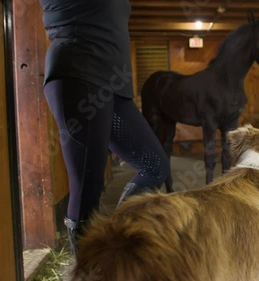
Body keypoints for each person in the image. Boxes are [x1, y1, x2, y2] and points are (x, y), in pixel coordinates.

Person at [38, 0, 170, 255]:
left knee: (155, 165)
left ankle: (115, 238)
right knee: (88, 185)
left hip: (114, 84)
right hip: (79, 69)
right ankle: (87, 268)